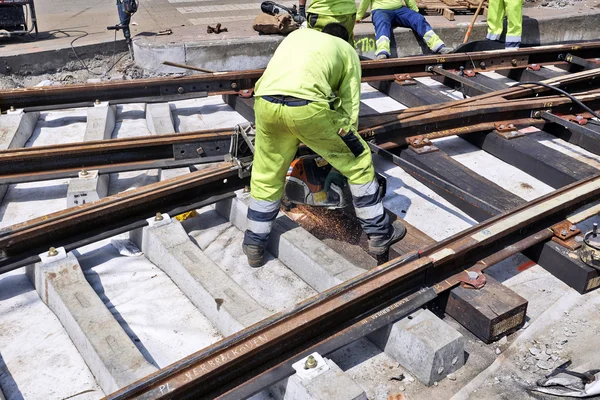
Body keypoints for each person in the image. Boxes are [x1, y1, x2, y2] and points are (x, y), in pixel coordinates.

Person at [242, 23, 406, 268]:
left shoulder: (298, 35)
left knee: (266, 172)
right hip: (307, 108)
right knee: (358, 160)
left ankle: (254, 244)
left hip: (265, 103)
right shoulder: (346, 50)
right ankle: (380, 234)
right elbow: (349, 108)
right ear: (345, 39)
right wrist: (340, 147)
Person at [356, 0, 453, 59]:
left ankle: (438, 46)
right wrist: (359, 16)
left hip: (399, 9)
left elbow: (409, 0)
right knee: (382, 23)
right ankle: (382, 51)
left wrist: (415, 12)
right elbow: (365, 1)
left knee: (418, 19)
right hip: (380, 10)